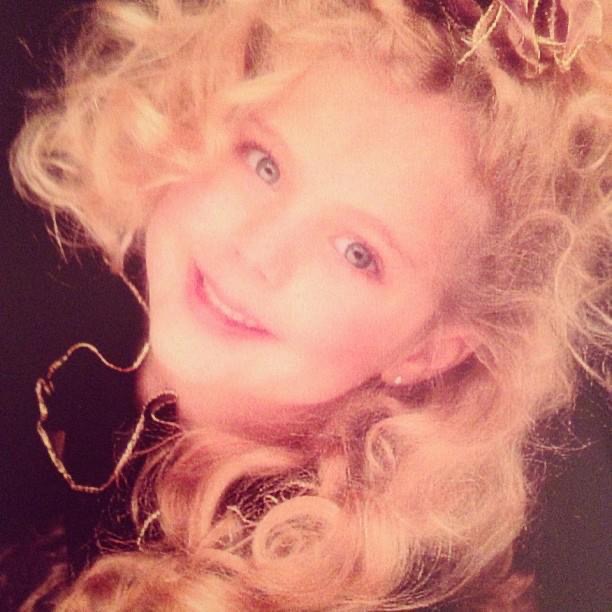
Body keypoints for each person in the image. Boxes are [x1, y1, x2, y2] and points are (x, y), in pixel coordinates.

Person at [8, 0, 610, 609]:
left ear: (428, 351)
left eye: (357, 252)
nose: (258, 249)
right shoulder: (45, 277)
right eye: (264, 163)